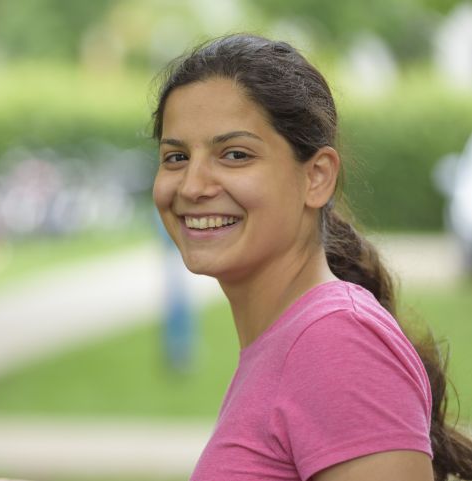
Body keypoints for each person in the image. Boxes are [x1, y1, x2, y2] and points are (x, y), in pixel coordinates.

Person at [151, 34, 472, 481]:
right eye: (176, 156)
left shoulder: (337, 342)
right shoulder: (294, 339)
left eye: (235, 154)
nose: (191, 185)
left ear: (317, 177)